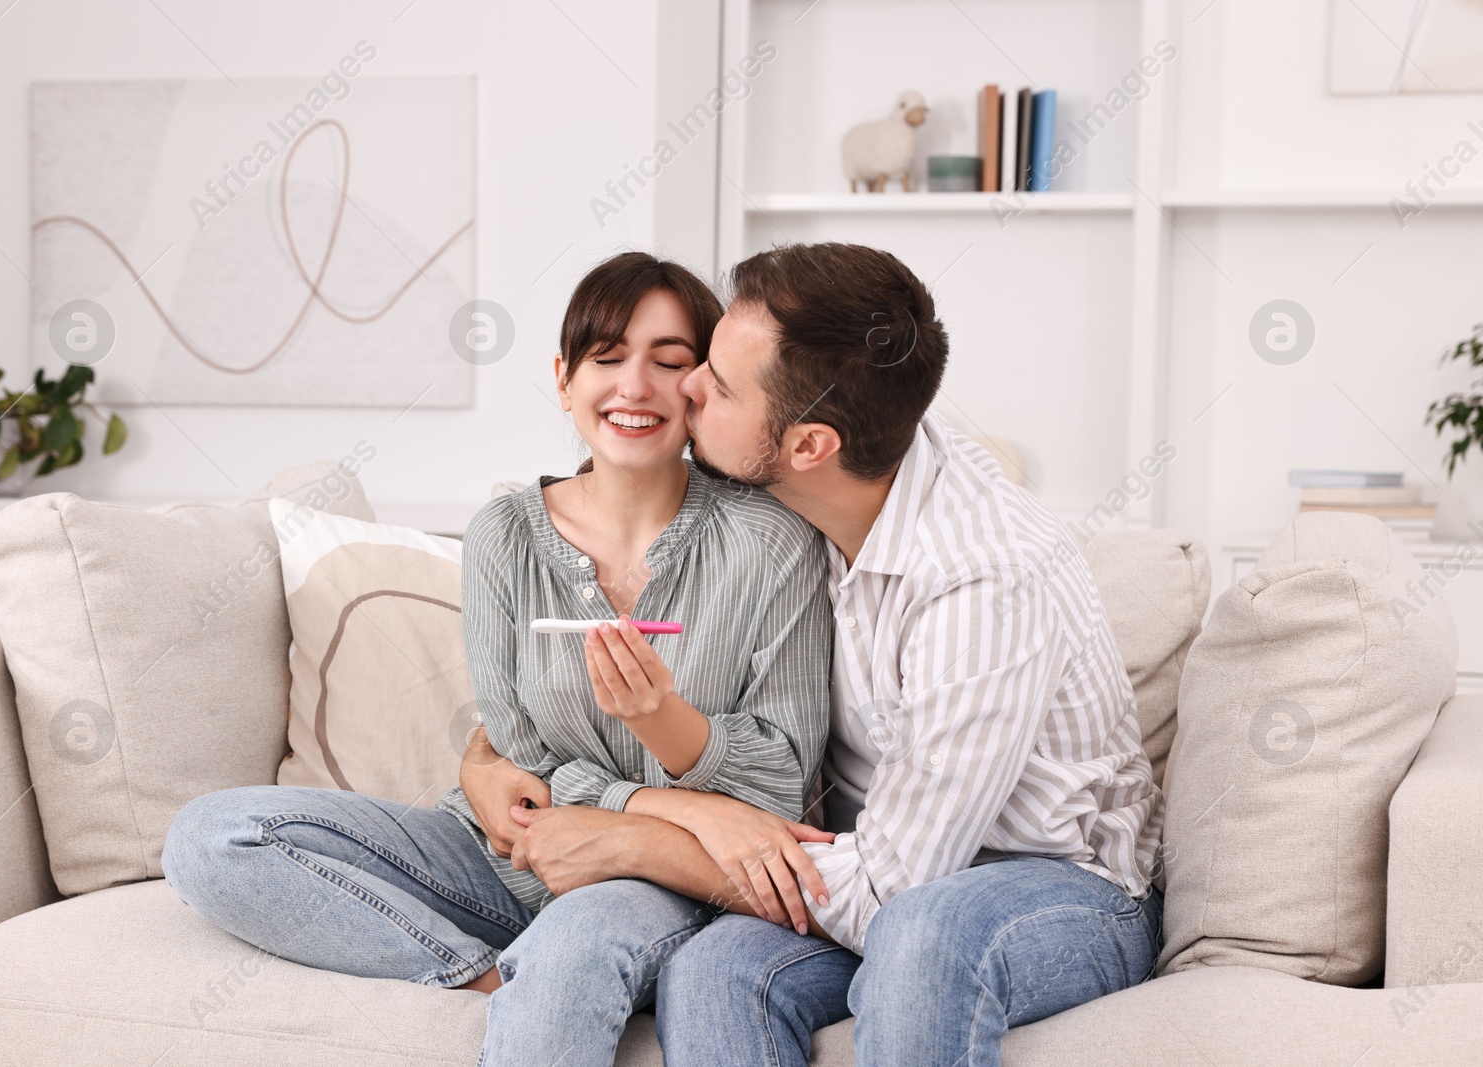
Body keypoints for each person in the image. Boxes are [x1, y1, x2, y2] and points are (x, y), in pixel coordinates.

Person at [483, 242, 1165, 1066]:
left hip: (1059, 886)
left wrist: (635, 841)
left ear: (808, 445)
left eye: (718, 384)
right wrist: (481, 758)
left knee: (925, 937)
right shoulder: (831, 471)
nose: (685, 383)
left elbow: (893, 890)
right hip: (866, 855)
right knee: (715, 971)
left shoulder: (983, 580)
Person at [159, 251, 836, 1067]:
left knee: (572, 947)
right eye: (608, 357)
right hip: (495, 855)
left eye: (669, 361)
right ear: (564, 377)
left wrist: (664, 727)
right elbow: (519, 767)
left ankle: (542, 973)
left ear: (700, 387)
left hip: (655, 885)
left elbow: (783, 786)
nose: (635, 387)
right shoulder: (505, 535)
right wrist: (678, 802)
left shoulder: (773, 544)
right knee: (214, 833)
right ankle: (480, 979)